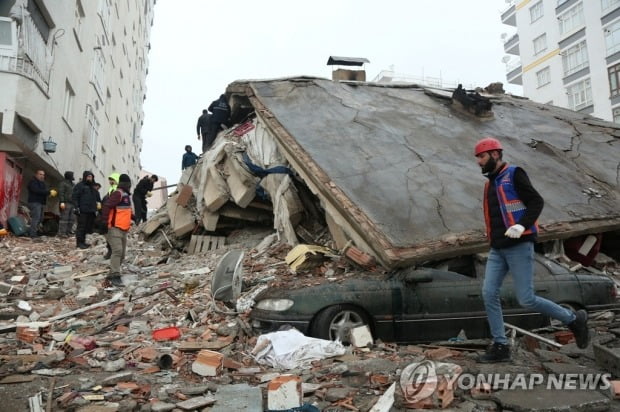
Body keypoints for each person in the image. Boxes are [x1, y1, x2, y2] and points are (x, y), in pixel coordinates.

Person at [474, 136, 589, 363]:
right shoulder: (489, 184)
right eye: (477, 158)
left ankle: (573, 319)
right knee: (488, 293)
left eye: (482, 156)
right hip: (498, 249)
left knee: (526, 298)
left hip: (519, 245)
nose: (478, 162)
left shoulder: (515, 174)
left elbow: (536, 202)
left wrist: (521, 225)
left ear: (495, 154)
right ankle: (500, 346)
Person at [100, 174, 133, 287]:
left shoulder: (127, 196)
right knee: (117, 251)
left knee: (122, 254)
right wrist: (104, 222)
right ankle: (115, 275)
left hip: (123, 229)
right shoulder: (118, 193)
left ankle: (112, 273)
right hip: (113, 228)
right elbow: (106, 206)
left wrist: (133, 217)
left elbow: (124, 211)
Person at [72, 171, 98, 249]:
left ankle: (83, 242)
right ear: (85, 177)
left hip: (90, 211)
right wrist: (76, 207)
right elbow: (75, 196)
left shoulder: (92, 187)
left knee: (87, 227)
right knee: (81, 227)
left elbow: (94, 198)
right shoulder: (80, 185)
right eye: (88, 176)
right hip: (82, 210)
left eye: (91, 177)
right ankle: (79, 243)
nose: (90, 178)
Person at [27, 169, 55, 238]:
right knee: (36, 218)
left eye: (43, 175)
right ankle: (32, 234)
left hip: (41, 203)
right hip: (34, 202)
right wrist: (48, 192)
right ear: (36, 174)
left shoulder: (42, 183)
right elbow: (36, 190)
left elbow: (43, 192)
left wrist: (50, 194)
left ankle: (32, 231)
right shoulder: (33, 181)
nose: (42, 176)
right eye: (40, 174)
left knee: (41, 218)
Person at [57, 171, 75, 237]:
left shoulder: (73, 184)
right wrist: (62, 202)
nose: (73, 176)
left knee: (71, 219)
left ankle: (68, 231)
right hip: (65, 203)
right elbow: (61, 193)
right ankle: (62, 233)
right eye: (72, 175)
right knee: (64, 218)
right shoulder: (63, 183)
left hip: (72, 204)